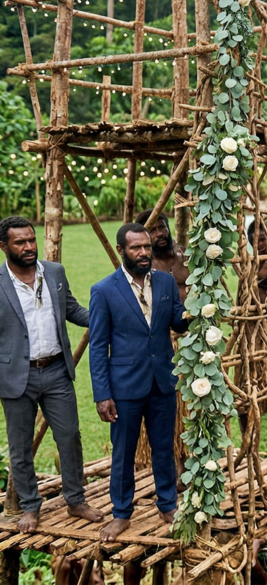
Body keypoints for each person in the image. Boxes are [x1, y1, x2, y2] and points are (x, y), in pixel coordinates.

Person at [0, 216, 103, 533]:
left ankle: (76, 500)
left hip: (57, 370)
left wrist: (104, 318)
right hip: (16, 376)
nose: (29, 246)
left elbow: (72, 309)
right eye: (20, 242)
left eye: (31, 240)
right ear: (4, 246)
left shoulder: (54, 272)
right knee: (20, 446)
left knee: (69, 436)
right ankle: (30, 506)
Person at [89, 223, 189, 542]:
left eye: (146, 247)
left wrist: (195, 311)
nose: (144, 253)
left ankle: (168, 505)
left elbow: (177, 321)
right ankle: (121, 513)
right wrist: (102, 395)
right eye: (136, 248)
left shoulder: (165, 282)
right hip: (124, 387)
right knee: (124, 452)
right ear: (122, 250)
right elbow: (97, 346)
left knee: (164, 446)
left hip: (162, 382)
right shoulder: (104, 290)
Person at [135, 210, 188, 302]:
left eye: (162, 227)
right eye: (152, 230)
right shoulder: (144, 267)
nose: (159, 233)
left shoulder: (185, 255)